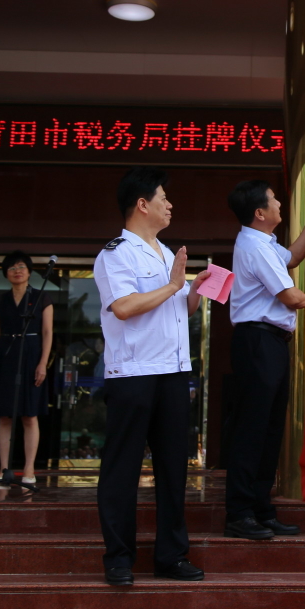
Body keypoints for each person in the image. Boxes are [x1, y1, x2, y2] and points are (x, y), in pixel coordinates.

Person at [93, 166, 211, 586]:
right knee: (123, 468)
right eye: (164, 198)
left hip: (174, 372)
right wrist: (175, 284)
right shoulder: (115, 254)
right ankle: (119, 558)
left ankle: (171, 556)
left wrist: (196, 289)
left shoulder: (164, 252)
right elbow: (124, 307)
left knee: (173, 468)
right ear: (142, 204)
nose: (170, 205)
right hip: (134, 373)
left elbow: (182, 310)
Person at [224, 180, 305, 540]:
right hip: (258, 341)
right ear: (260, 212)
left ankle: (260, 509)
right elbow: (291, 297)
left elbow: (294, 257)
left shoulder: (263, 243)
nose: (280, 203)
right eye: (274, 200)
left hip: (270, 343)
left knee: (268, 431)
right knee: (253, 430)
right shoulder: (253, 247)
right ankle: (239, 512)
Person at [0, 251, 53, 488]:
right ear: (6, 273)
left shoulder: (42, 297)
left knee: (29, 415)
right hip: (6, 353)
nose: (17, 271)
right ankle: (4, 469)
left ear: (30, 272)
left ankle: (29, 470)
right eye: (12, 268)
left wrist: (43, 362)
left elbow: (47, 332)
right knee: (4, 416)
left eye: (21, 266)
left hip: (32, 353)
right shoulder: (0, 300)